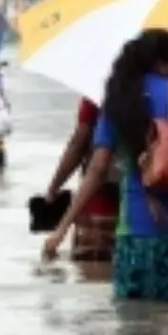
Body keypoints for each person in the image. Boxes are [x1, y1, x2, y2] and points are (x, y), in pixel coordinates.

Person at [41, 28, 168, 303]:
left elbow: (96, 170)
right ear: (160, 63)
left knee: (136, 333)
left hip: (136, 231)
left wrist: (62, 228)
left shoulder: (117, 103)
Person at [42, 94, 122, 262]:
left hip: (99, 199)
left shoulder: (100, 93)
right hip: (147, 206)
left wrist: (53, 188)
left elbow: (79, 143)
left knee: (93, 271)